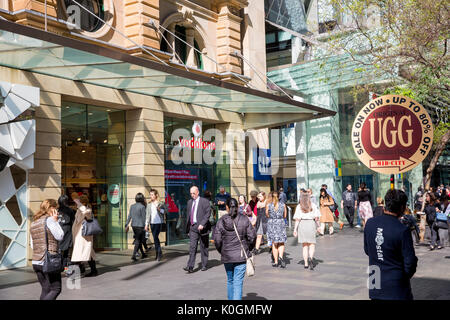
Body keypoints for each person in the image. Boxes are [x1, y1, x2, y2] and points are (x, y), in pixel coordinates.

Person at [364, 189, 418, 300]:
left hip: (375, 282)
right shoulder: (402, 230)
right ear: (402, 208)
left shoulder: (370, 223)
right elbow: (410, 262)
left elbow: (367, 250)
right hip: (395, 287)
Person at [213, 198, 256, 300]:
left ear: (227, 207)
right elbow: (252, 237)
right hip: (240, 255)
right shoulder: (244, 219)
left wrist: (222, 250)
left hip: (227, 255)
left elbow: (217, 240)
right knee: (237, 282)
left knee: (230, 280)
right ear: (237, 207)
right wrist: (248, 248)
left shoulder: (221, 221)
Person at [30, 199, 64, 300]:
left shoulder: (34, 222)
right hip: (49, 260)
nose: (57, 211)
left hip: (36, 261)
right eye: (56, 209)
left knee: (46, 289)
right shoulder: (49, 220)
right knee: (55, 289)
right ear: (52, 209)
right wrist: (55, 221)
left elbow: (32, 244)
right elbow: (60, 236)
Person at [183, 186, 211, 273]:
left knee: (204, 247)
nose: (192, 195)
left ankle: (204, 264)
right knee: (192, 247)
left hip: (203, 227)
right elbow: (188, 216)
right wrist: (188, 229)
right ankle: (190, 266)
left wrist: (202, 224)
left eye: (193, 193)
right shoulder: (189, 202)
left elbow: (208, 213)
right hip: (193, 227)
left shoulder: (205, 201)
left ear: (197, 192)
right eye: (191, 193)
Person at [71, 194, 98, 277]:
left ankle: (76, 271)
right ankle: (93, 270)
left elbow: (85, 212)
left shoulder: (87, 210)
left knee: (79, 252)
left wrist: (80, 204)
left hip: (83, 235)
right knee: (87, 252)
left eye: (79, 202)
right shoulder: (80, 209)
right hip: (79, 235)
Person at [293, 191, 321, 270]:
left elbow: (297, 219)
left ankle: (305, 263)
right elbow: (317, 218)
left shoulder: (299, 206)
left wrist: (295, 229)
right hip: (311, 224)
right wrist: (318, 226)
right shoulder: (313, 205)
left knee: (304, 246)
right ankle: (311, 258)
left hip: (302, 225)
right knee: (312, 244)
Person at [266, 191, 287, 268]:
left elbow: (267, 214)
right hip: (280, 223)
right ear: (279, 197)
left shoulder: (269, 205)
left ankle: (276, 261)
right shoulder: (283, 205)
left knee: (274, 243)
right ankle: (281, 257)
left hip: (272, 224)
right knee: (281, 242)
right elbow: (285, 215)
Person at [126, 193, 148, 261]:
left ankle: (143, 254)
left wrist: (126, 224)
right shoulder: (142, 207)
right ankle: (133, 255)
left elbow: (129, 216)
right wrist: (146, 226)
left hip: (134, 226)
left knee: (139, 240)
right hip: (140, 226)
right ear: (142, 198)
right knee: (138, 240)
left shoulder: (132, 206)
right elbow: (144, 218)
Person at [145, 189, 166, 261]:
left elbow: (165, 211)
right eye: (150, 195)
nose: (151, 196)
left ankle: (159, 253)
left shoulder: (160, 203)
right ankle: (158, 253)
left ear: (156, 195)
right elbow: (147, 215)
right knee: (155, 238)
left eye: (152, 195)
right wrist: (146, 225)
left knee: (155, 237)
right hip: (152, 223)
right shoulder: (149, 204)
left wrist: (160, 209)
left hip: (159, 223)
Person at [57, 195, 76, 270]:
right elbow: (73, 221)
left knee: (59, 250)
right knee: (66, 251)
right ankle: (65, 266)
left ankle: (59, 266)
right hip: (67, 231)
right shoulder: (70, 210)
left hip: (59, 231)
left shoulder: (57, 210)